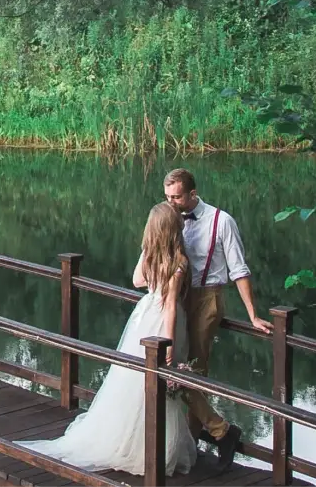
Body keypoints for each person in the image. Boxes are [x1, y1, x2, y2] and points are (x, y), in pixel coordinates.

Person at [15, 203, 197, 476]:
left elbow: (138, 281)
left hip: (145, 315)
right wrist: (169, 342)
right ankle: (151, 449)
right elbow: (170, 304)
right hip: (163, 321)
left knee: (133, 380)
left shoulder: (153, 256)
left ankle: (134, 440)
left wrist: (146, 251)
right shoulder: (179, 260)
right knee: (157, 382)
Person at [148, 168, 271, 470]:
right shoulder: (168, 217)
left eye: (176, 197)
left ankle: (209, 436)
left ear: (192, 194)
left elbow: (239, 269)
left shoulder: (222, 221)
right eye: (167, 197)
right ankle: (199, 441)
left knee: (190, 372)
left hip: (206, 298)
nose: (171, 202)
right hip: (175, 298)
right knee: (176, 371)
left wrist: (252, 314)